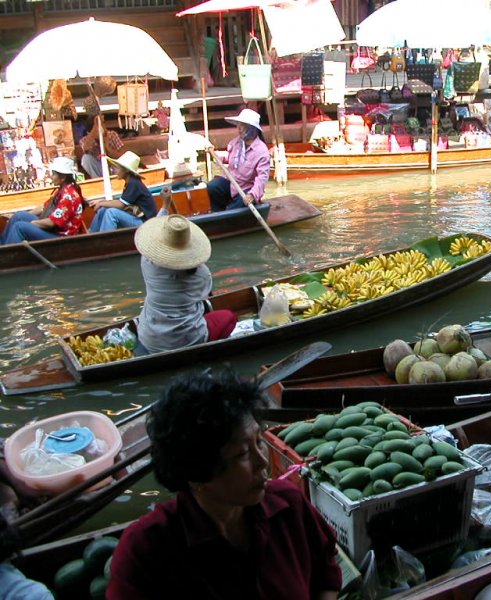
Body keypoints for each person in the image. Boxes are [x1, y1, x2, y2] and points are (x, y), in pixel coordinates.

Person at [106, 369, 342, 599]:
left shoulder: (289, 506)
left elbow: (327, 574)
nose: (262, 462)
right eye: (241, 454)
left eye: (259, 441)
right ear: (198, 472)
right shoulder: (146, 550)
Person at [133, 214, 237, 354]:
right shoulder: (201, 275)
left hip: (148, 335)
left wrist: (165, 204)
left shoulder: (146, 263)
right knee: (229, 317)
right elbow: (205, 295)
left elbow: (154, 230)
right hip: (187, 340)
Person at [0, 157, 85, 245]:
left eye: (53, 174)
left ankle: (8, 255)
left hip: (61, 236)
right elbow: (44, 208)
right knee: (18, 216)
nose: (51, 176)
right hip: (54, 230)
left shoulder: (69, 196)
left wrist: (32, 223)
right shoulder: (60, 190)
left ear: (63, 177)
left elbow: (51, 223)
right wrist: (20, 215)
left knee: (19, 227)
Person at [207, 108, 271, 212]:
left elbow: (262, 178)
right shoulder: (236, 143)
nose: (239, 128)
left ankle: (230, 213)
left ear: (252, 129)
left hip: (246, 187)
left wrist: (252, 194)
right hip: (231, 181)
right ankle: (218, 212)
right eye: (239, 125)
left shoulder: (262, 152)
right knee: (212, 187)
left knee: (240, 204)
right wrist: (214, 154)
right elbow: (229, 157)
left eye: (243, 126)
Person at [87, 151, 157, 232]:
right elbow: (121, 202)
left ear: (126, 170)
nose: (115, 170)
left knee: (111, 213)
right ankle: (91, 234)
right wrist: (101, 201)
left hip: (145, 223)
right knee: (103, 209)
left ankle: (104, 241)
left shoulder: (133, 183)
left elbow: (121, 205)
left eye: (118, 168)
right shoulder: (130, 182)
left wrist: (100, 203)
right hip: (137, 218)